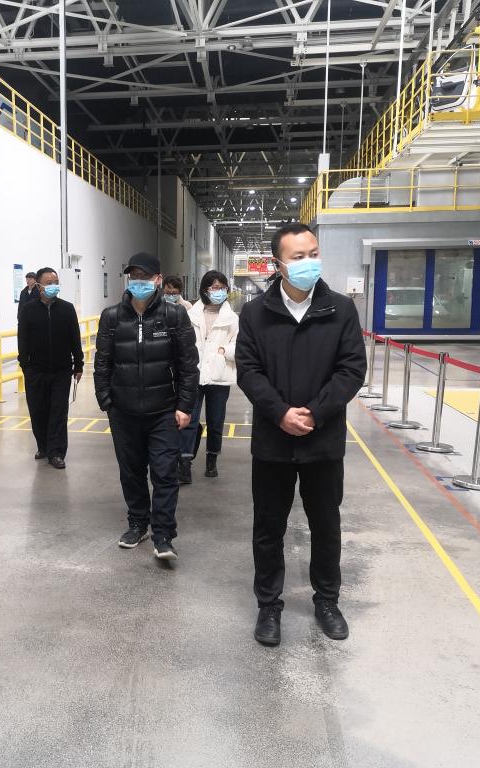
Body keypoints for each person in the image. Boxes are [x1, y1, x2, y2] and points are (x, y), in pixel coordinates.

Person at [236, 223, 366, 647]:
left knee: (325, 525)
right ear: (278, 264)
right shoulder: (256, 313)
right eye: (298, 257)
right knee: (268, 527)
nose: (309, 262)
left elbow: (352, 369)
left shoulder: (340, 309)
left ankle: (327, 601)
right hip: (273, 443)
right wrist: (279, 413)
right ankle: (268, 605)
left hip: (321, 440)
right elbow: (248, 371)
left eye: (313, 254)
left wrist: (315, 411)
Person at [94, 253, 199, 561]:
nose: (138, 282)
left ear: (158, 280)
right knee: (131, 472)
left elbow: (188, 365)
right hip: (123, 412)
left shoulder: (174, 316)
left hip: (163, 411)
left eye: (145, 277)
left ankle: (163, 534)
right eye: (133, 277)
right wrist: (106, 401)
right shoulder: (112, 317)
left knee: (165, 474)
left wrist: (185, 406)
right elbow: (102, 362)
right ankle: (138, 523)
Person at [17, 267, 84, 469]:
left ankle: (56, 452)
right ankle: (43, 447)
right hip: (35, 371)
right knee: (38, 411)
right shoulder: (28, 310)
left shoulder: (67, 309)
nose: (53, 286)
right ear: (39, 286)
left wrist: (78, 364)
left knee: (58, 412)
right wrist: (25, 366)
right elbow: (23, 340)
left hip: (61, 371)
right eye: (48, 283)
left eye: (56, 282)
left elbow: (75, 338)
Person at [179, 270, 238, 484]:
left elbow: (239, 345)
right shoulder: (191, 315)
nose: (219, 291)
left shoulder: (232, 318)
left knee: (215, 421)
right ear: (205, 289)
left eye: (223, 288)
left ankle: (212, 459)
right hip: (193, 375)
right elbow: (182, 342)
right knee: (188, 420)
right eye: (215, 287)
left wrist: (224, 351)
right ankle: (184, 464)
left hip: (218, 376)